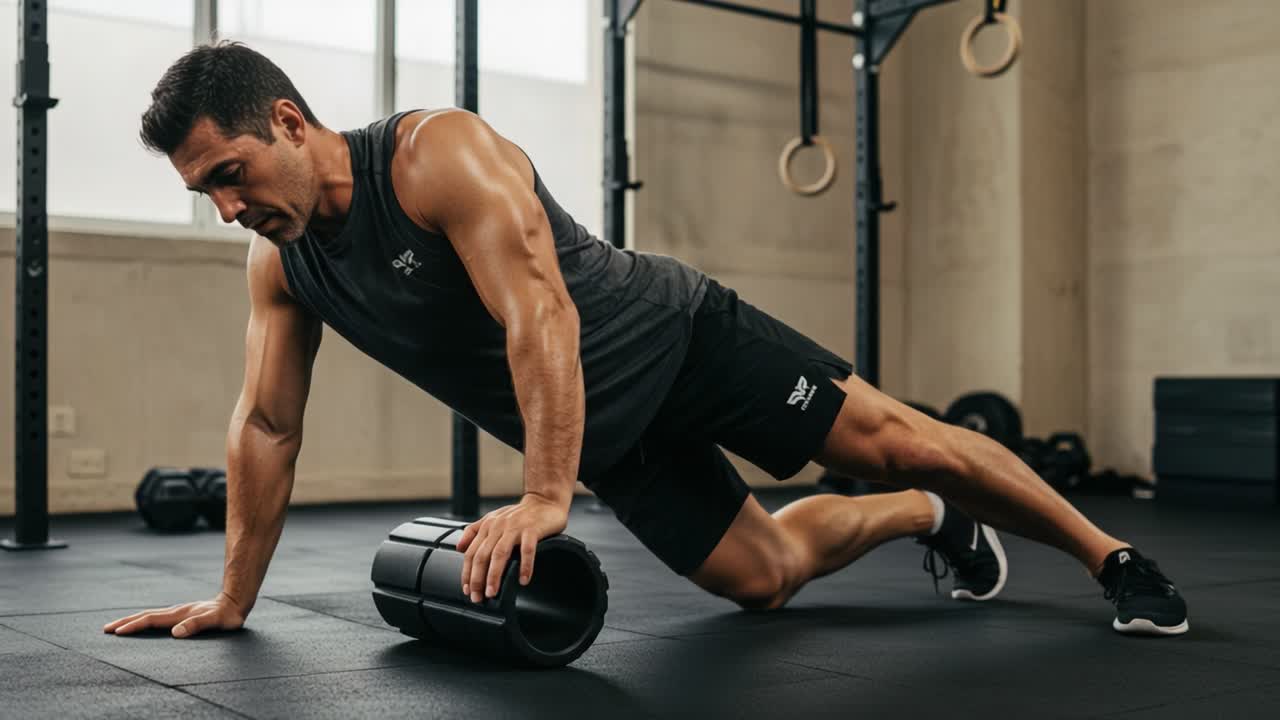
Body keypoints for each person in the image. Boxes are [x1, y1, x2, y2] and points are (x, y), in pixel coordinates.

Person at [104, 42, 1188, 641]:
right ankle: (925, 520)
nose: (227, 208)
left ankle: (1112, 561)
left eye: (230, 175)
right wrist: (233, 597)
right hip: (612, 439)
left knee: (898, 437)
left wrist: (540, 493)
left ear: (289, 122)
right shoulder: (281, 264)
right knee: (760, 580)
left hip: (676, 340)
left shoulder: (437, 156)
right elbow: (265, 425)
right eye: (204, 193)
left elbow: (541, 314)